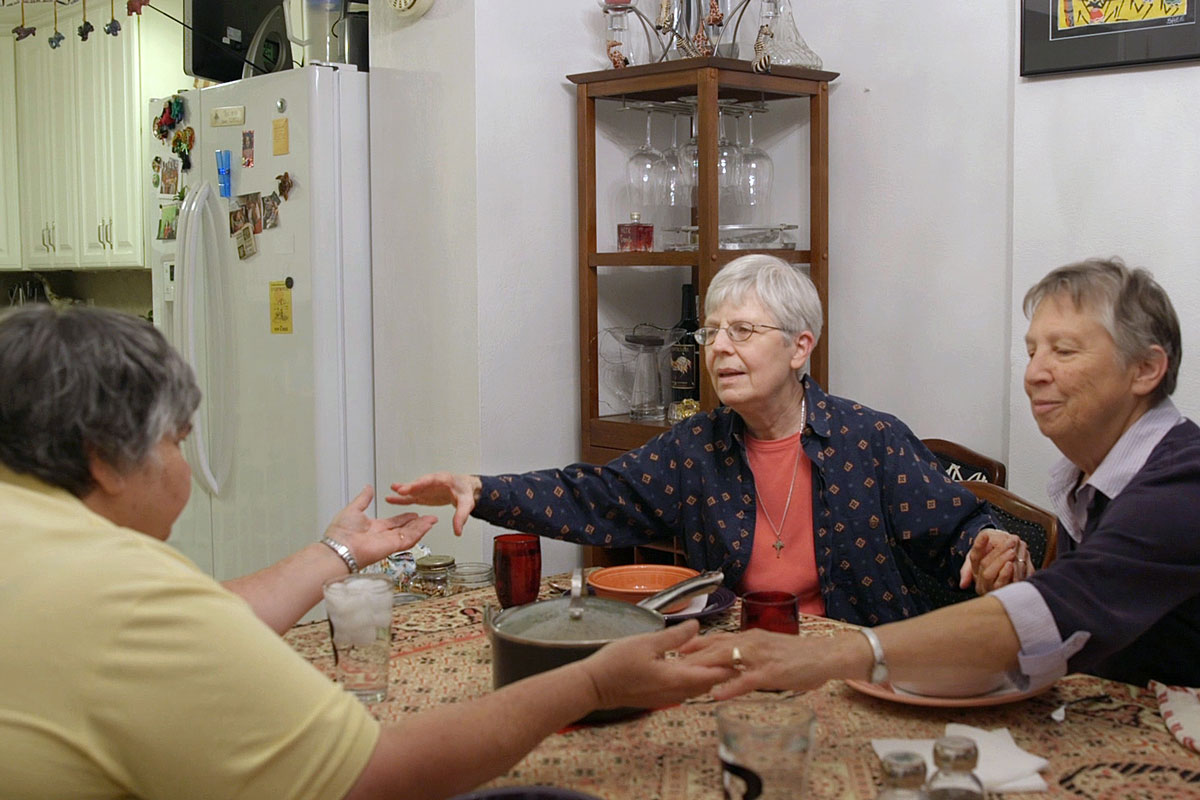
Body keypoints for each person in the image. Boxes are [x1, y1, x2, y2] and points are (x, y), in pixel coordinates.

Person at [0, 305, 736, 800]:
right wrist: (593, 686)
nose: (185, 470)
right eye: (175, 444)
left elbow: (204, 619)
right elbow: (377, 776)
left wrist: (338, 552)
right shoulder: (119, 593)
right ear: (102, 458)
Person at [389, 255, 1024, 627]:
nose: (719, 348)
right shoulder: (698, 446)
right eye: (711, 332)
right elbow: (593, 496)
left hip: (853, 668)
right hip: (730, 659)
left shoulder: (869, 440)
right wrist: (483, 488)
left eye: (743, 331)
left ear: (801, 346)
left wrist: (991, 544)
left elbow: (962, 529)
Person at [680, 257, 1200, 693]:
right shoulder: (1088, 482)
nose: (1034, 372)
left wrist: (836, 656)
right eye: (1032, 350)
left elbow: (1052, 613)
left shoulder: (1182, 484)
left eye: (1063, 351)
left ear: (1146, 370)